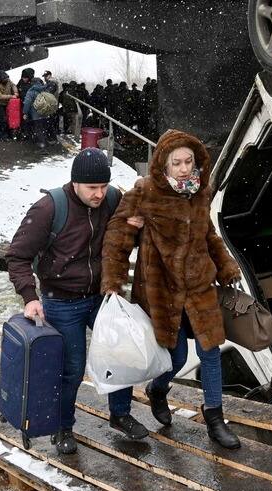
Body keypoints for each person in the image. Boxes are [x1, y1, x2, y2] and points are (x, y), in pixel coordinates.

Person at [100, 129, 244, 450]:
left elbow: (208, 235)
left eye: (188, 162)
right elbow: (117, 239)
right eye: (176, 163)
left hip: (199, 288)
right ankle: (158, 389)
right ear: (164, 164)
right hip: (162, 292)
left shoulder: (200, 192)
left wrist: (226, 266)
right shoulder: (144, 193)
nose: (183, 169)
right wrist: (113, 282)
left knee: (210, 351)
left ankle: (215, 419)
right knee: (175, 357)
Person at [5, 148, 149, 455]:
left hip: (102, 296)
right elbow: (16, 256)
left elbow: (121, 239)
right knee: (71, 368)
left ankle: (120, 414)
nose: (99, 194)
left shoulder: (112, 199)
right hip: (62, 301)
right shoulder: (49, 208)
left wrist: (136, 229)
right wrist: (30, 297)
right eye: (92, 187)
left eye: (103, 186)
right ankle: (63, 426)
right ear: (75, 183)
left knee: (122, 352)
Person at [23, 77, 54, 150]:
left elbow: (27, 103)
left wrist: (25, 112)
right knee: (44, 129)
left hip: (36, 115)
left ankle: (43, 148)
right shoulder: (45, 89)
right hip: (45, 113)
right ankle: (46, 142)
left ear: (32, 83)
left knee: (38, 130)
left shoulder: (31, 91)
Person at [0, 72, 19, 140]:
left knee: (9, 119)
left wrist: (15, 92)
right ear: (1, 80)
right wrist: (12, 96)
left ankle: (7, 134)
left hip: (7, 103)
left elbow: (13, 85)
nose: (6, 81)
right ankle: (3, 135)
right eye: (5, 80)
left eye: (7, 79)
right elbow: (0, 96)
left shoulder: (8, 80)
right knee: (2, 120)